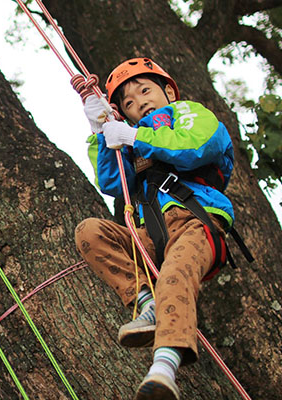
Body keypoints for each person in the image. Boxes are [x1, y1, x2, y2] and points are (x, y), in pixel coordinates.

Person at [75, 57, 235, 400]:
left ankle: (163, 368)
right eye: (129, 103)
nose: (139, 102)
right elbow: (113, 181)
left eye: (145, 91)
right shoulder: (132, 141)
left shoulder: (186, 113)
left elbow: (197, 145)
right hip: (153, 232)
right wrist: (102, 131)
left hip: (196, 219)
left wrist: (135, 135)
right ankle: (146, 301)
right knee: (90, 232)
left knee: (176, 275)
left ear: (167, 91)